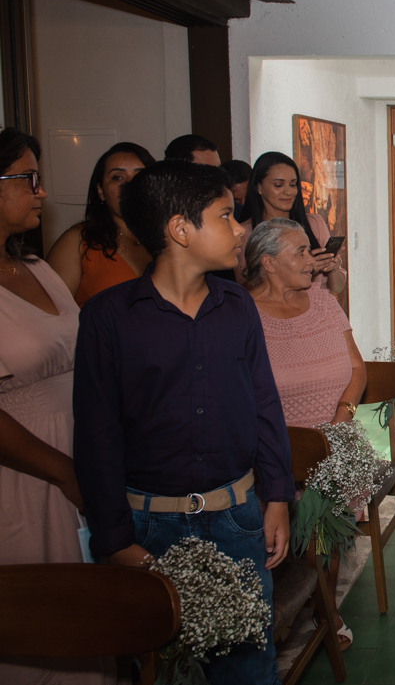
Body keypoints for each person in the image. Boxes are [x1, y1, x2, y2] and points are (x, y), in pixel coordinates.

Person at [73, 160, 293, 685]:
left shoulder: (237, 306)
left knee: (246, 666)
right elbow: (96, 435)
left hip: (236, 518)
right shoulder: (108, 318)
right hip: (149, 529)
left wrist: (278, 496)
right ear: (179, 229)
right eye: (225, 215)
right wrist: (115, 539)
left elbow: (264, 403)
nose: (241, 228)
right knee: (163, 670)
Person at [0, 128, 116, 685]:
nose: (41, 192)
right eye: (26, 179)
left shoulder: (38, 268)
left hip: (77, 447)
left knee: (91, 617)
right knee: (41, 619)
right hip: (24, 471)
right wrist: (62, 469)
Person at [244, 217, 365, 650]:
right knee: (277, 548)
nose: (311, 259)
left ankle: (327, 608)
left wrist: (344, 413)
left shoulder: (324, 301)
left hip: (336, 437)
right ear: (269, 263)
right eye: (300, 251)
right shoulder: (243, 314)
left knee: (329, 537)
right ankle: (273, 615)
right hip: (275, 452)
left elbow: (357, 367)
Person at [47, 142, 155, 305]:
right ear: (100, 192)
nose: (130, 185)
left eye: (140, 176)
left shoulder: (172, 239)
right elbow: (50, 317)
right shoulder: (77, 242)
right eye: (117, 177)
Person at [237, 152, 345, 295]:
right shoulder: (244, 233)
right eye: (278, 185)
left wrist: (332, 269)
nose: (288, 192)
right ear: (259, 187)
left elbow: (337, 287)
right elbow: (245, 290)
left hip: (318, 311)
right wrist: (307, 270)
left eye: (293, 185)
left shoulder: (314, 224)